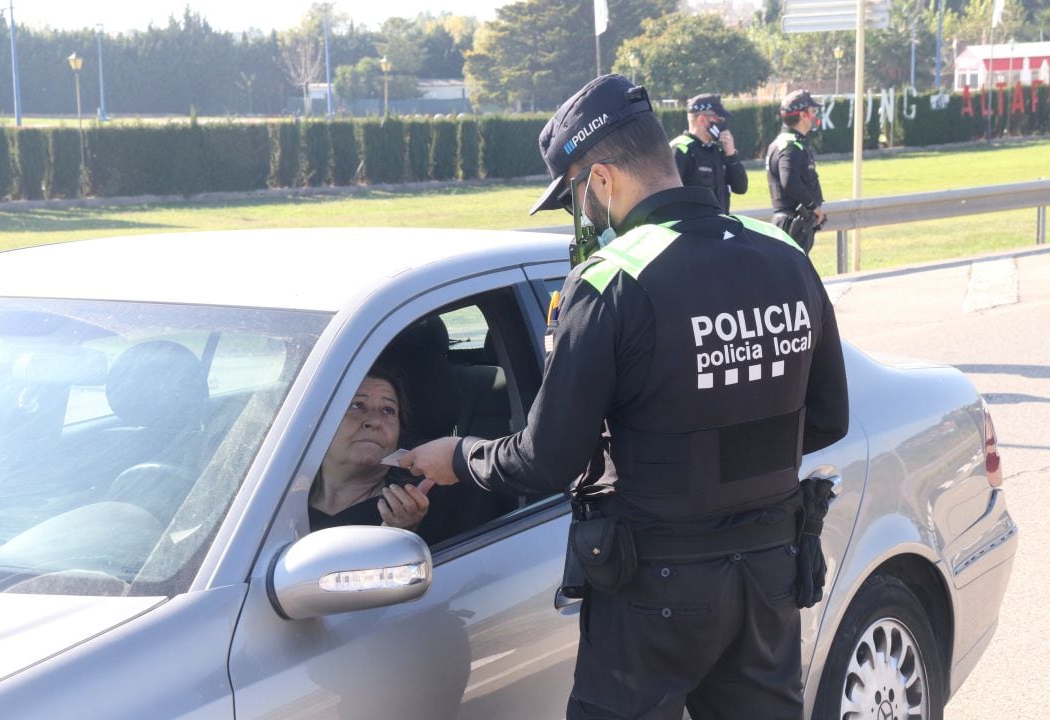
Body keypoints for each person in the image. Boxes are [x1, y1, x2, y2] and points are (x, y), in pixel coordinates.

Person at [402, 74, 848, 720]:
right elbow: (828, 417)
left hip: (653, 600)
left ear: (602, 179)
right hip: (770, 582)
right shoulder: (785, 257)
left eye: (576, 198)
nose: (582, 215)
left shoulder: (612, 280)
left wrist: (459, 455)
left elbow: (547, 459)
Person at [309, 364, 430, 532]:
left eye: (388, 410)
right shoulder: (276, 495)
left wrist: (400, 534)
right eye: (357, 405)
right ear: (321, 423)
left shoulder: (413, 508)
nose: (375, 421)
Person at [766, 89, 826, 255]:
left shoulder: (786, 143)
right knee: (791, 277)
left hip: (794, 223)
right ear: (803, 115)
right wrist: (814, 207)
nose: (815, 116)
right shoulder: (790, 147)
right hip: (792, 224)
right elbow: (789, 182)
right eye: (813, 111)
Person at [670, 93, 748, 214]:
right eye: (718, 118)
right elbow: (670, 197)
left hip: (721, 225)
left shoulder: (718, 150)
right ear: (702, 119)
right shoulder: (680, 149)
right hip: (694, 228)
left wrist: (731, 154)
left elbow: (741, 188)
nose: (722, 122)